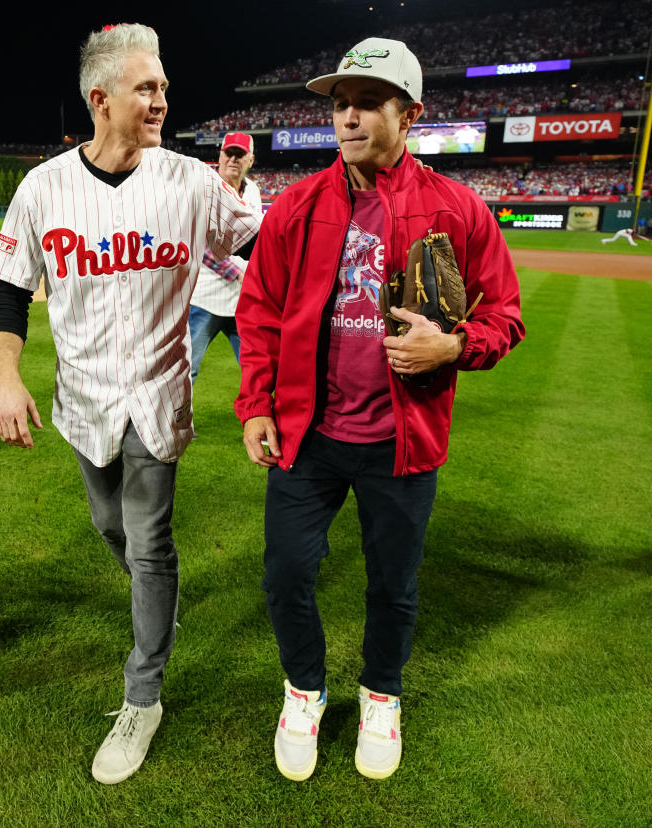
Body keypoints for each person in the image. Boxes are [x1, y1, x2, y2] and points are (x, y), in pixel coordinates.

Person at [234, 37, 524, 783]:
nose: (349, 116)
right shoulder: (298, 204)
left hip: (403, 439)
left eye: (367, 102)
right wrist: (255, 405)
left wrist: (452, 348)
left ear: (410, 114)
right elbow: (260, 309)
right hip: (309, 434)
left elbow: (506, 316)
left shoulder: (457, 208)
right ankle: (304, 689)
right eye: (339, 103)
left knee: (392, 583)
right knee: (286, 572)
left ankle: (381, 694)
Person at [0, 23, 260, 785]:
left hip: (159, 394)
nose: (163, 100)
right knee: (112, 528)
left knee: (148, 542)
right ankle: (156, 599)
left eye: (164, 86)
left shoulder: (192, 182)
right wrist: (6, 378)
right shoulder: (44, 187)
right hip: (83, 399)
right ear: (100, 99)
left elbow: (262, 247)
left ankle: (144, 695)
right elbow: (7, 292)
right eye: (148, 88)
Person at [188, 132, 262, 384]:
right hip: (204, 298)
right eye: (228, 153)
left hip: (242, 301)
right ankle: (170, 423)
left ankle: (260, 420)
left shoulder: (253, 190)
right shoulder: (204, 188)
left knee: (256, 370)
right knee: (186, 371)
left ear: (250, 160)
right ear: (219, 156)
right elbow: (201, 245)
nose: (233, 159)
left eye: (239, 155)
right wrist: (240, 273)